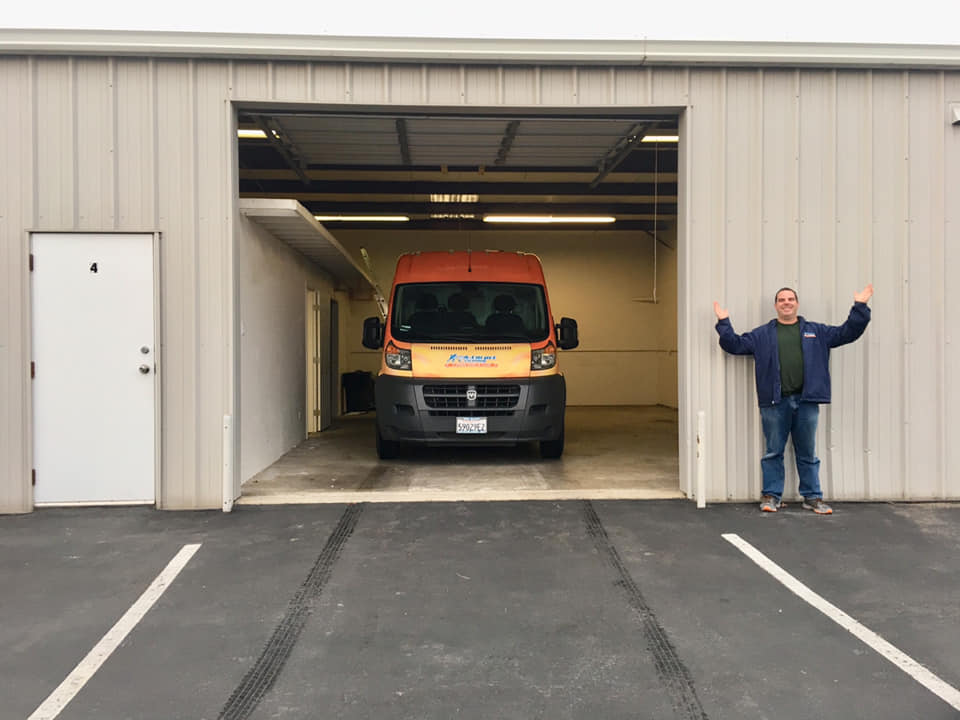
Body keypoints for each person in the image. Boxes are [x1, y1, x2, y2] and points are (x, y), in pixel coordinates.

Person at [713, 285, 873, 514]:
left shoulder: (816, 332)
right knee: (773, 452)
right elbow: (735, 345)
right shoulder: (762, 335)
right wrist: (723, 322)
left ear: (797, 304)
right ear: (776, 305)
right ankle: (771, 496)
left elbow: (847, 332)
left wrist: (860, 307)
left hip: (807, 401)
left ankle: (812, 497)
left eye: (790, 299)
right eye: (781, 300)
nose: (786, 302)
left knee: (807, 452)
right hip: (774, 402)